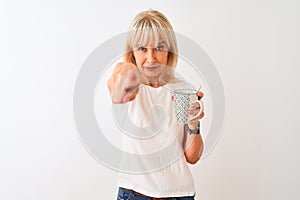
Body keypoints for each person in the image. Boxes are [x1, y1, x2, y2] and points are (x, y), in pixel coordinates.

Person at [107, 10, 205, 200]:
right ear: (132, 52)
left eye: (159, 47)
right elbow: (117, 94)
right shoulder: (130, 83)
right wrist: (126, 74)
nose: (151, 58)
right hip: (133, 194)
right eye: (142, 48)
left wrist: (193, 124)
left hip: (179, 195)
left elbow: (193, 157)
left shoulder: (184, 89)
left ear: (169, 50)